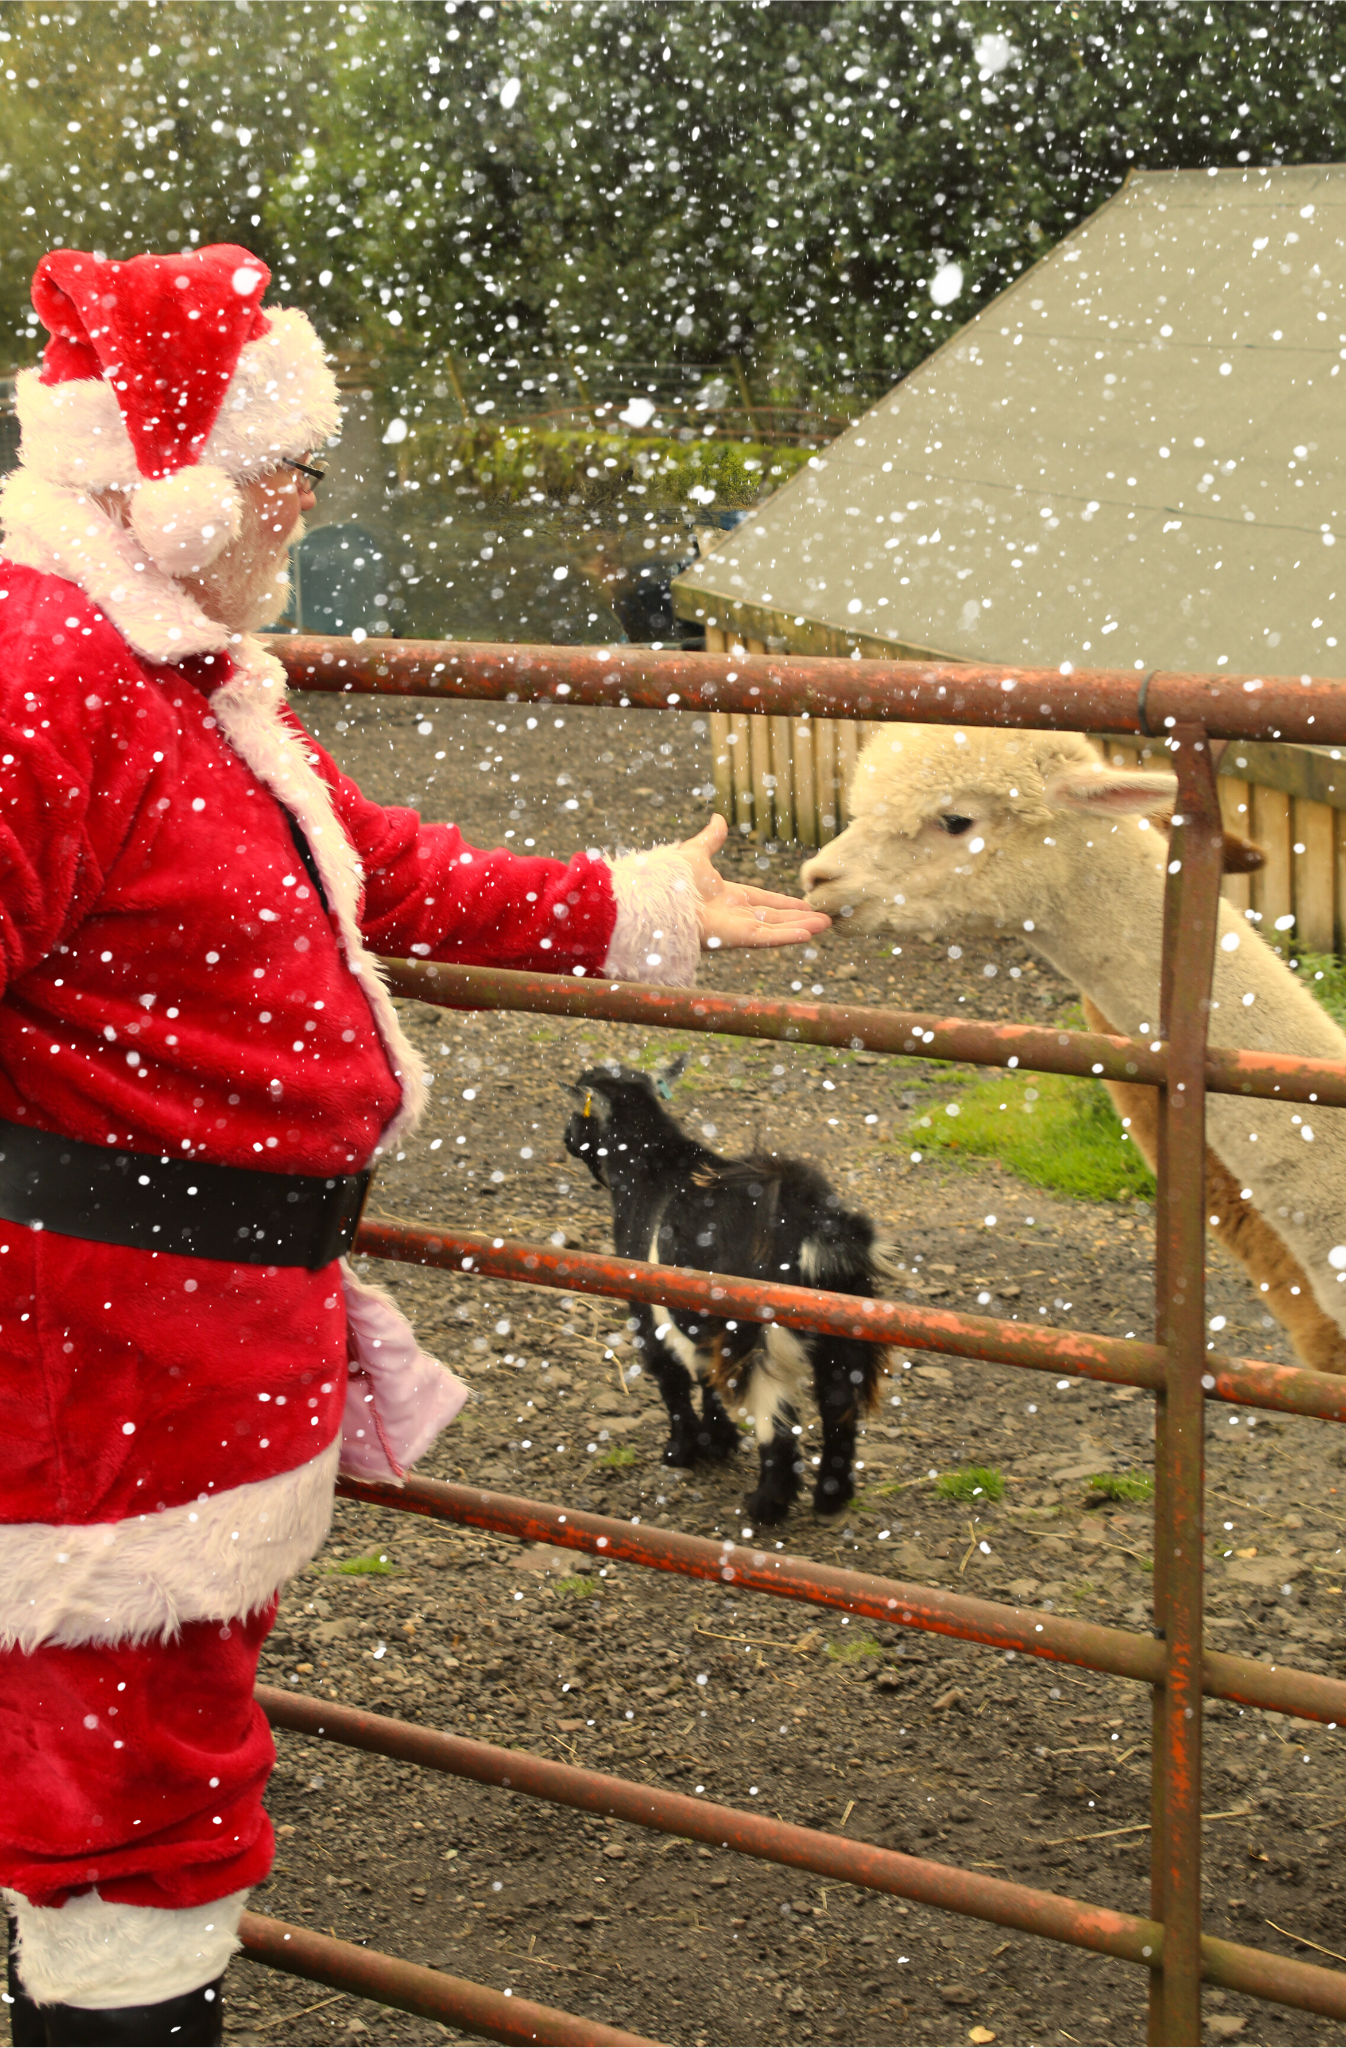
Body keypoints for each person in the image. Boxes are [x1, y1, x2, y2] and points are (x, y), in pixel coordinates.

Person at [0, 243, 828, 2047]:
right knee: (127, 1788)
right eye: (284, 469)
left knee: (122, 1751)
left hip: (174, 1319)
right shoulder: (44, 673)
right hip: (109, 1336)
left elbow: (374, 863)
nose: (301, 504)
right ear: (182, 478)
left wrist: (635, 903)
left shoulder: (168, 667)